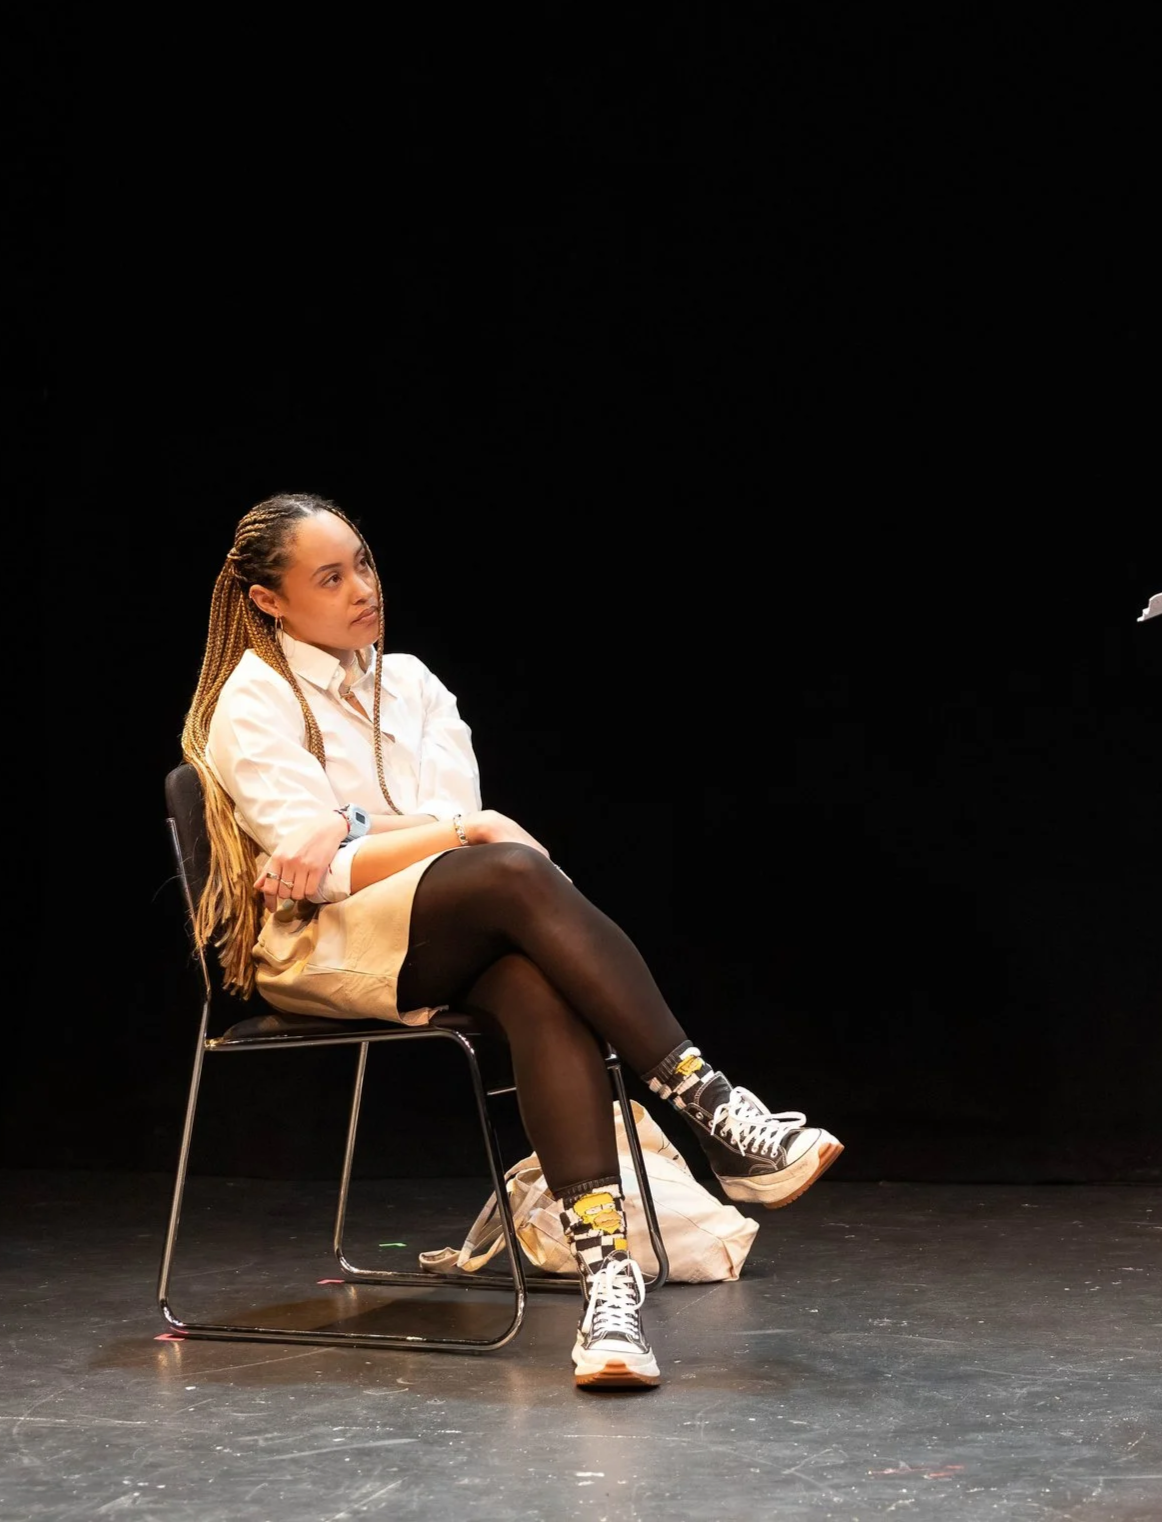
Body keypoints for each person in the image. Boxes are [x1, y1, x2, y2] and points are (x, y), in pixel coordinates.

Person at [181, 492, 844, 1391]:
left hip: (438, 925)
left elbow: (441, 832)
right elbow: (335, 873)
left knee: (534, 976)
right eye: (329, 578)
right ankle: (713, 1108)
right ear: (270, 601)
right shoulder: (254, 699)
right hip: (320, 948)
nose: (363, 589)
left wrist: (360, 822)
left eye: (363, 563)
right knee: (514, 875)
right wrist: (443, 831)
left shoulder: (412, 684)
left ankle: (609, 1291)